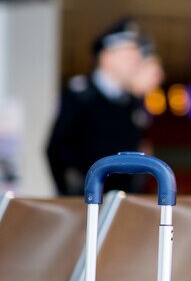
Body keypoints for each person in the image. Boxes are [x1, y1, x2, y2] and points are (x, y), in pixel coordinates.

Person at [45, 18, 147, 195]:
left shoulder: (131, 101)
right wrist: (70, 194)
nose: (136, 60)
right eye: (129, 54)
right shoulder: (80, 96)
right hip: (86, 202)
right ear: (107, 57)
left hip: (120, 201)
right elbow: (56, 150)